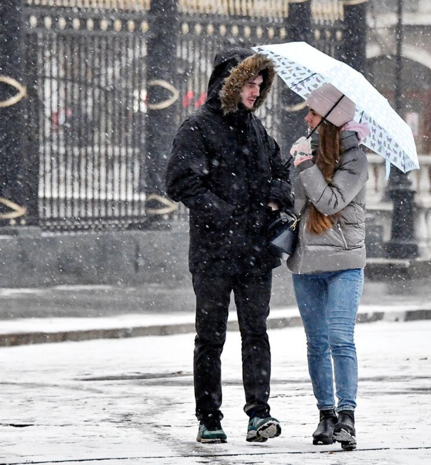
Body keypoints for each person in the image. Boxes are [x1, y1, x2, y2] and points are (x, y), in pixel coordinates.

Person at [165, 48, 292, 444]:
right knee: (211, 336)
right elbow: (180, 182)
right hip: (214, 252)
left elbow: (281, 170)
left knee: (256, 332)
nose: (256, 92)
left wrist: (275, 194)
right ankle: (209, 417)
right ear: (231, 84)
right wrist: (223, 214)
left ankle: (259, 414)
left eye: (260, 85)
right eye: (250, 84)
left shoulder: (256, 130)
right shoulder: (197, 128)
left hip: (256, 253)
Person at [287, 83, 370, 451]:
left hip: (344, 262)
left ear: (331, 121)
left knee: (340, 338)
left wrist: (305, 165)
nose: (307, 118)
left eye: (314, 113)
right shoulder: (307, 151)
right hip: (307, 262)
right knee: (316, 343)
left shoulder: (356, 160)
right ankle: (326, 414)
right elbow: (298, 203)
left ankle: (347, 416)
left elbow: (330, 200)